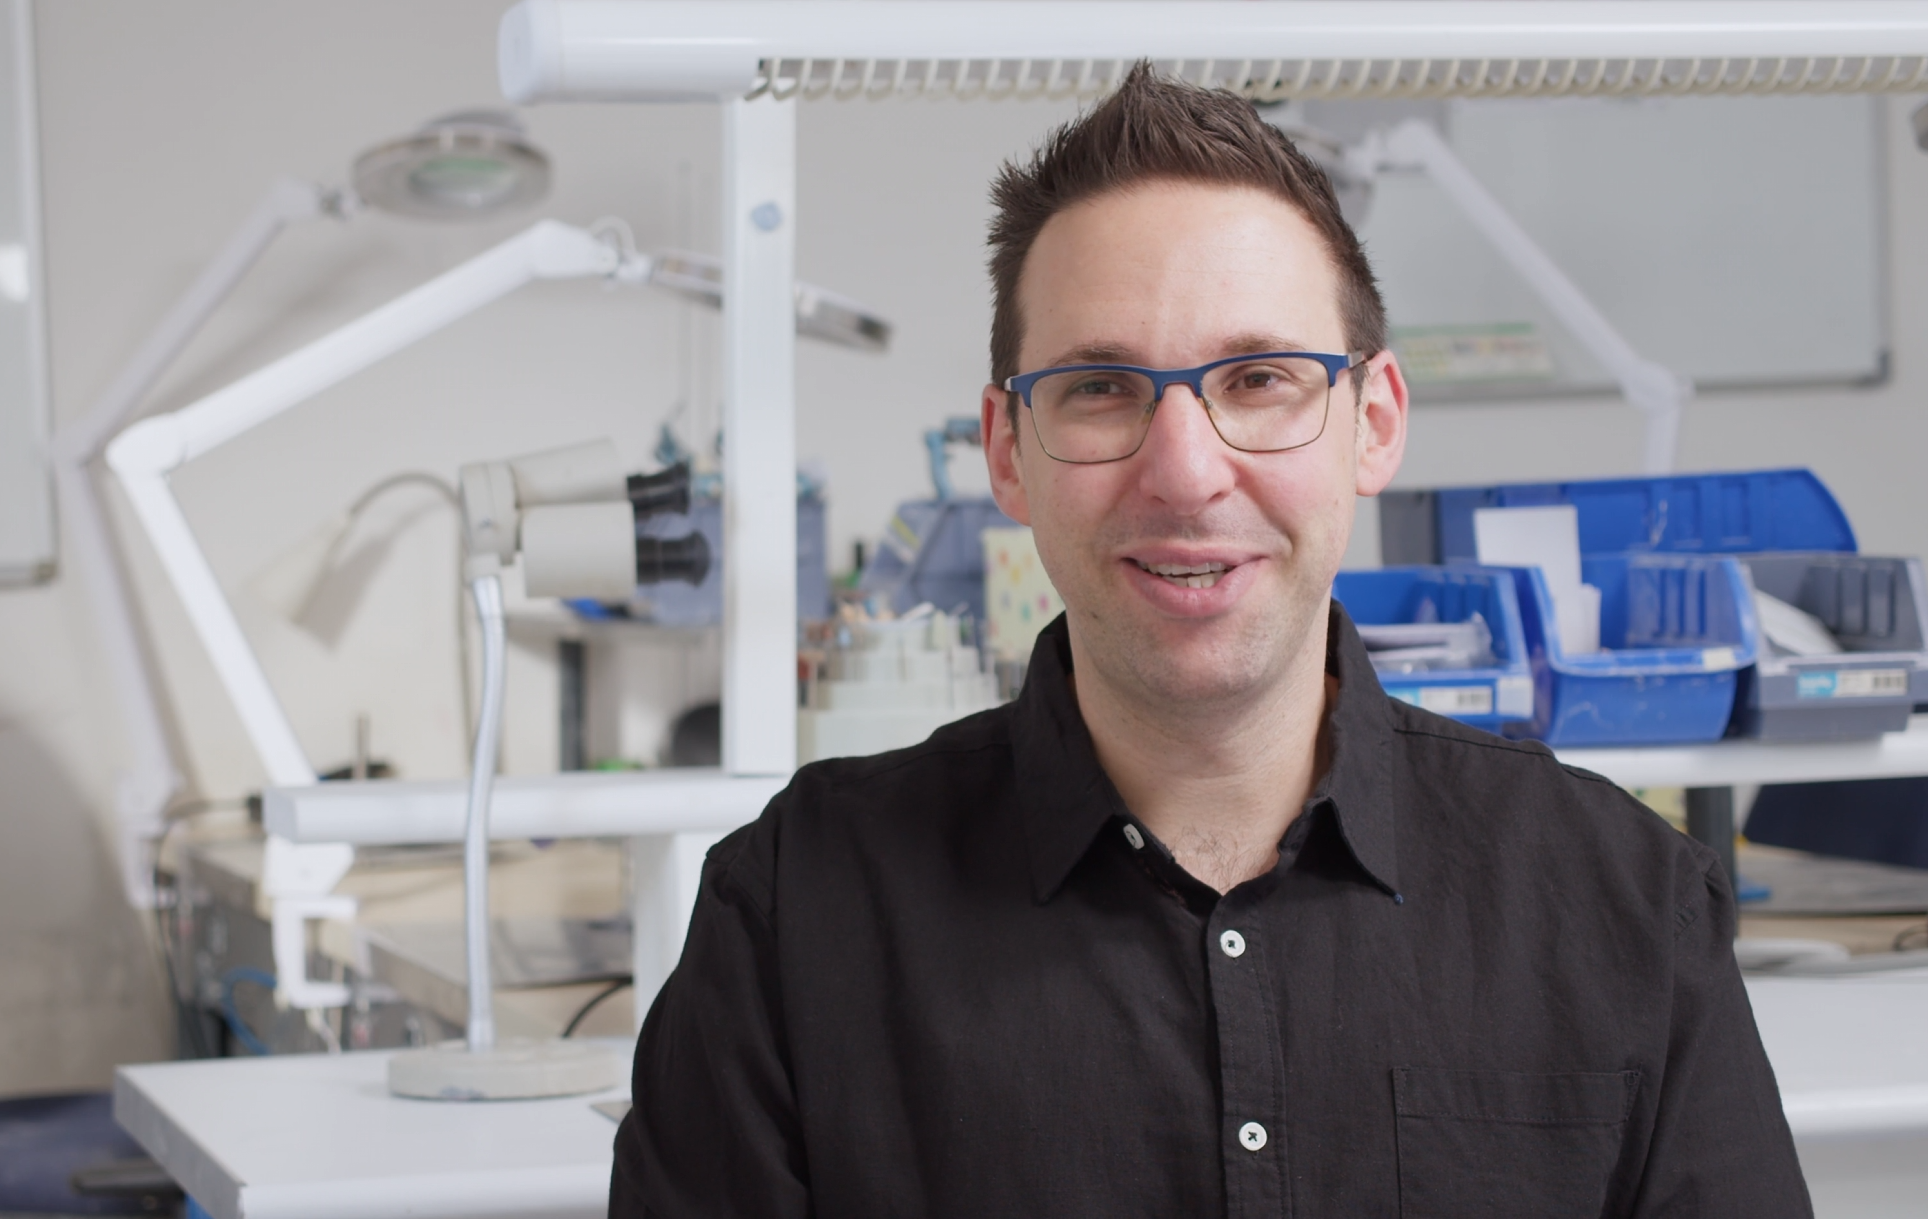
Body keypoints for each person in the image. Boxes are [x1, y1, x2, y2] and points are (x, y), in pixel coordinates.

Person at [613, 65, 1810, 1217]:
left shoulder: (1623, 904)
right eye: (1100, 388)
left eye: (1260, 379)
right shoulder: (796, 916)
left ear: (1375, 422)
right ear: (1007, 450)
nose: (1185, 472)